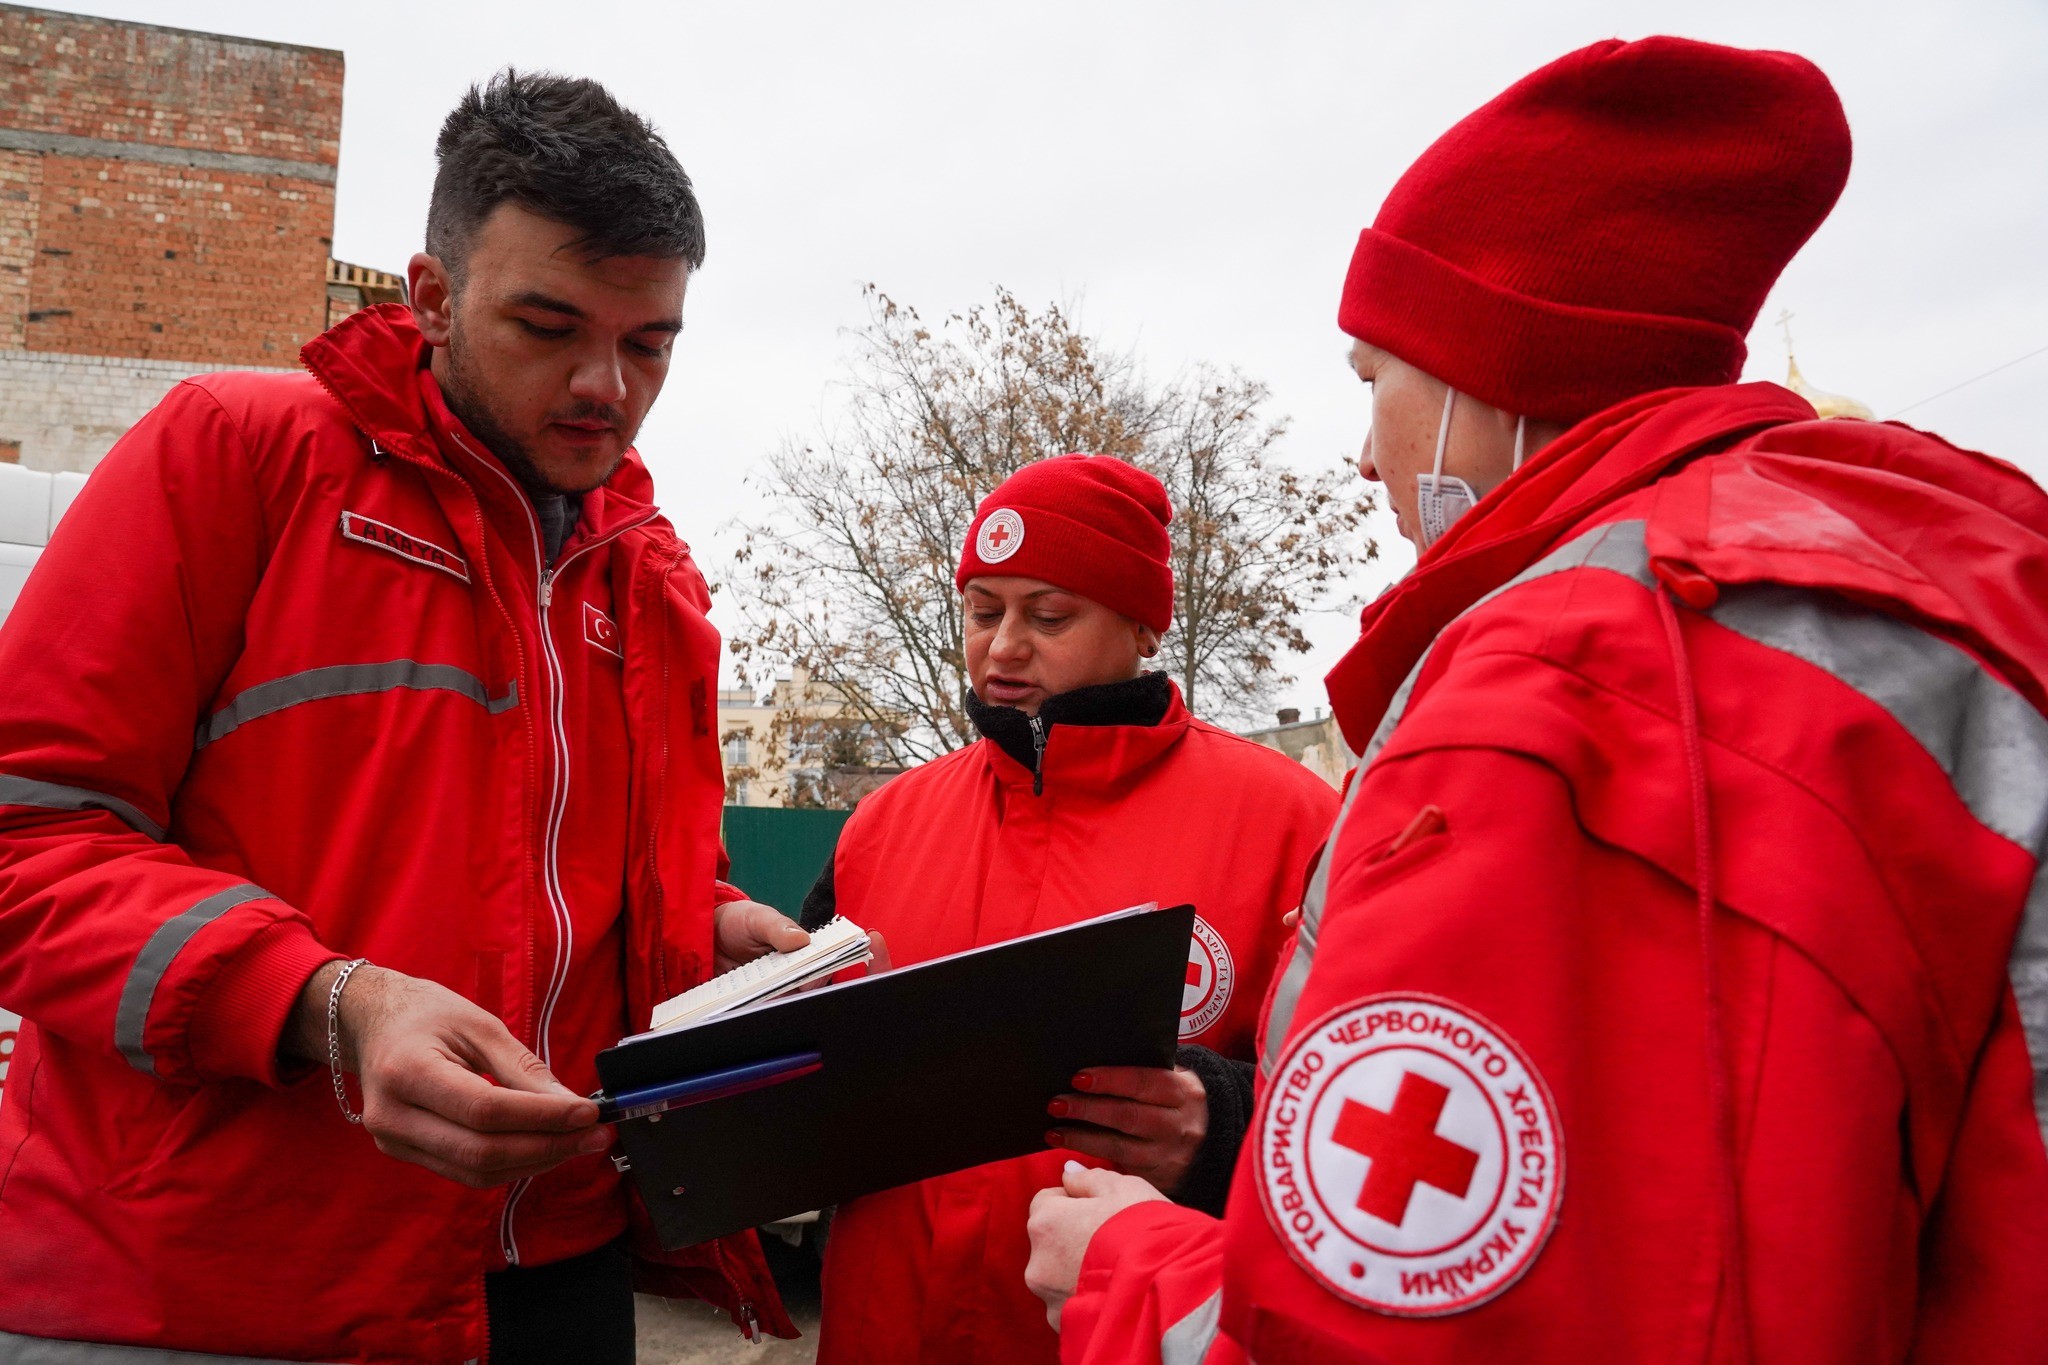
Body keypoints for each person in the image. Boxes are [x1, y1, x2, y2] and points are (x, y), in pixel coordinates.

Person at [1025, 36, 2048, 1364]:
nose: (1360, 452)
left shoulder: (1580, 680)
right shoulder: (1918, 585)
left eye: (1373, 382)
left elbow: (1483, 1317)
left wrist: (1131, 1273)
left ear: (1480, 375)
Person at [0, 72, 812, 1362]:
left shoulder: (648, 578)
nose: (604, 382)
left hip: (565, 1266)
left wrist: (708, 933)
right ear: (429, 298)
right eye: (547, 323)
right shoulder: (235, 457)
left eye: (648, 343)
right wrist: (331, 1005)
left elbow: (586, 883)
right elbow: (24, 841)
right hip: (210, 1283)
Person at [801, 454, 1339, 1365]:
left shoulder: (1295, 822)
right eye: (982, 611)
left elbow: (1346, 1112)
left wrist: (1224, 1128)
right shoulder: (883, 825)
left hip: (1113, 1337)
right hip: (885, 1328)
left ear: (1140, 623)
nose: (1004, 645)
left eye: (1048, 615)